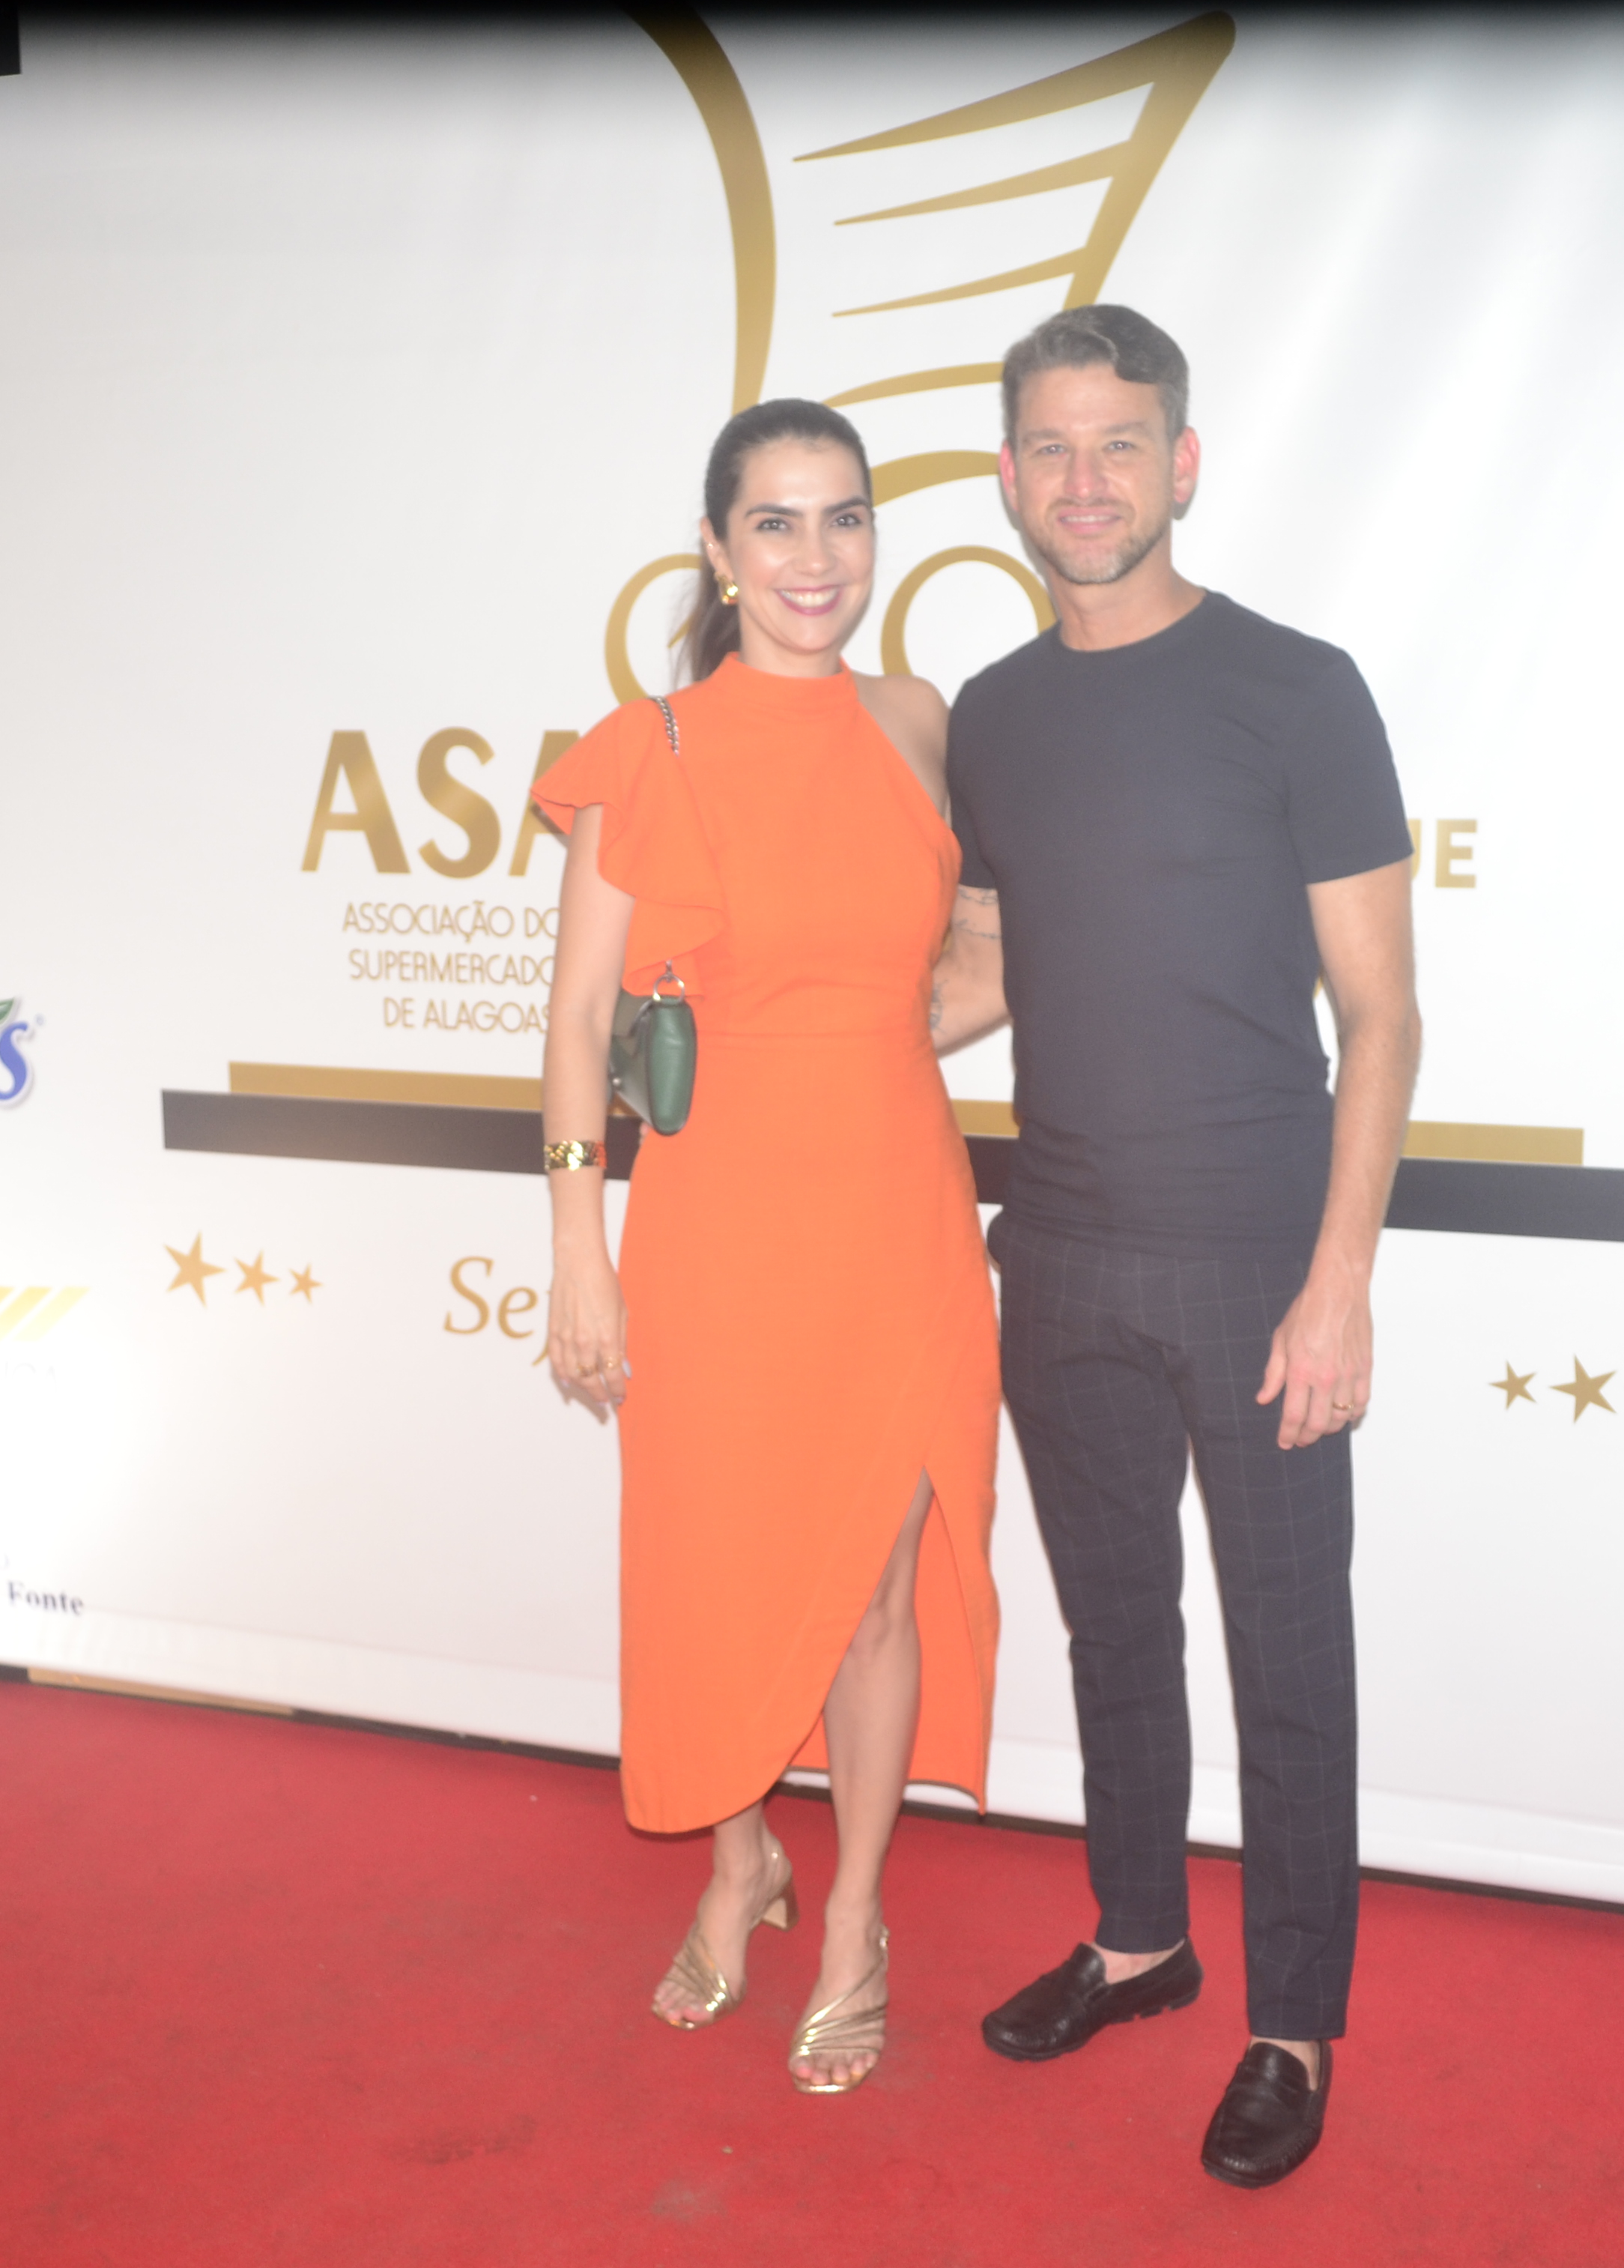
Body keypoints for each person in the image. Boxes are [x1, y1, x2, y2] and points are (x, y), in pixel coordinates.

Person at [930, 306, 1420, 2188]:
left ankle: (1292, 2023)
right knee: (1113, 1627)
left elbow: (1382, 1016)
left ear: (1183, 464)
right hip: (1055, 1251)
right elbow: (985, 964)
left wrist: (1340, 1278)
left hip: (1257, 1260)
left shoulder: (1298, 689)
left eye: (1120, 443)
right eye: (1053, 448)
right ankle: (1140, 1941)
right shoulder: (992, 715)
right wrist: (801, 1038)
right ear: (1008, 479)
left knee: (1292, 1658)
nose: (1087, 480)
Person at [533, 399, 1002, 2095]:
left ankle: (856, 1912)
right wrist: (580, 1246)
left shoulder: (921, 721)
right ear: (719, 553)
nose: (818, 557)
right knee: (713, 1562)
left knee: (877, 1584)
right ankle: (743, 1866)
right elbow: (578, 1019)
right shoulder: (646, 746)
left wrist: (852, 1042)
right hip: (715, 1222)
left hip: (896, 1211)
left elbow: (985, 953)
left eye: (845, 517)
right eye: (779, 523)